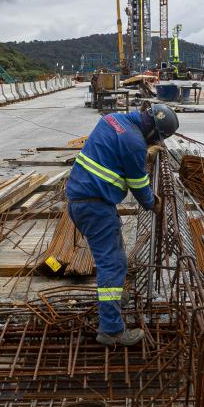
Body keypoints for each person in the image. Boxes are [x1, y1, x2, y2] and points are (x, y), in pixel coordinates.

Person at [65, 104, 180, 347]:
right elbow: (139, 185)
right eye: (155, 138)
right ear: (153, 132)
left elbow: (117, 152)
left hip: (82, 201)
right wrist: (153, 203)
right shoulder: (134, 143)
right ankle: (111, 330)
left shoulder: (112, 119)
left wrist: (143, 155)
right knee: (113, 264)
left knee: (113, 260)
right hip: (95, 208)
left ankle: (113, 300)